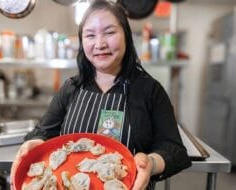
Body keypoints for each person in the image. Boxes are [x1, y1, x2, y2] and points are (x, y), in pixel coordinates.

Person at [10, 1, 191, 189]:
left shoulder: (150, 91)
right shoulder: (71, 88)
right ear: (82, 42)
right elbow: (44, 131)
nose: (99, 44)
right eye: (90, 35)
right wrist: (35, 141)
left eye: (110, 32)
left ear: (126, 36)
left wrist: (150, 163)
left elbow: (174, 150)